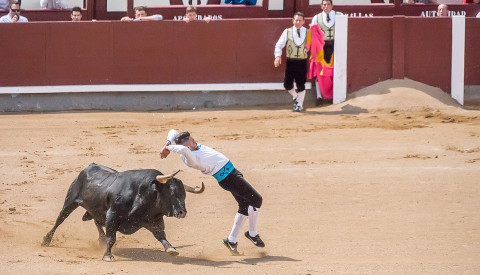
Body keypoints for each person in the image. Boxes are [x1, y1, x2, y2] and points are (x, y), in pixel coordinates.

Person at [160, 130, 265, 256]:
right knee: (257, 200)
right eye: (192, 141)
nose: (195, 141)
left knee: (244, 206)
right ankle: (252, 233)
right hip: (229, 179)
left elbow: (173, 132)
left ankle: (231, 240)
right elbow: (184, 151)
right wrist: (168, 148)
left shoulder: (191, 148)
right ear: (187, 147)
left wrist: (166, 144)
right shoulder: (191, 159)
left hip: (233, 173)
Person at [274, 12, 309, 112]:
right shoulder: (287, 31)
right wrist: (277, 56)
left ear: (303, 22)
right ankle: (296, 97)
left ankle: (299, 105)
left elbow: (315, 45)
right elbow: (279, 45)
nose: (298, 22)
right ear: (293, 21)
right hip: (291, 61)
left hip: (302, 61)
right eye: (296, 20)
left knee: (301, 84)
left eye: (300, 20)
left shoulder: (308, 32)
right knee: (287, 84)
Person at [310, 0, 342, 106]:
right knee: (320, 72)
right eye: (324, 4)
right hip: (321, 48)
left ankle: (336, 95)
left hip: (335, 46)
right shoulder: (316, 18)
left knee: (336, 71)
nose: (326, 6)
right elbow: (313, 35)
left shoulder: (339, 15)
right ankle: (319, 96)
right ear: (321, 6)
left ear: (332, 5)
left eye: (328, 4)